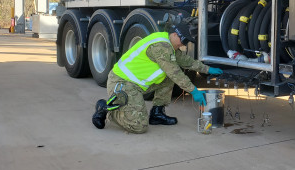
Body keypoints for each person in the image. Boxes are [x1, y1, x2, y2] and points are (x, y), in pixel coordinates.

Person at [91, 22, 223, 133]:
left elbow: (186, 61)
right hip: (122, 83)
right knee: (139, 126)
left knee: (167, 78)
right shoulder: (161, 47)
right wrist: (194, 91)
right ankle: (106, 110)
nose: (183, 45)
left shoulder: (169, 44)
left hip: (137, 84)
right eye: (183, 41)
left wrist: (208, 69)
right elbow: (175, 72)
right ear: (175, 34)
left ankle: (157, 113)